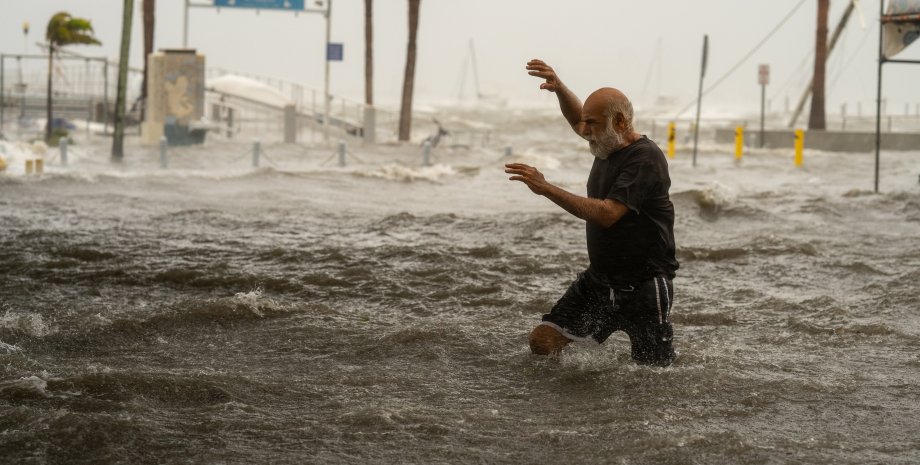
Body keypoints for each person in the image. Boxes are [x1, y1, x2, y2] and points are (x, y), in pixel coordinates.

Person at [505, 59, 679, 366]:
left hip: (644, 286)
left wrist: (546, 188)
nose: (585, 131)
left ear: (621, 122)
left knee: (652, 376)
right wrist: (559, 88)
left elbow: (608, 214)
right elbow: (577, 120)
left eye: (593, 124)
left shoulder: (645, 158)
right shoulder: (605, 142)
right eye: (586, 123)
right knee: (543, 341)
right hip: (599, 282)